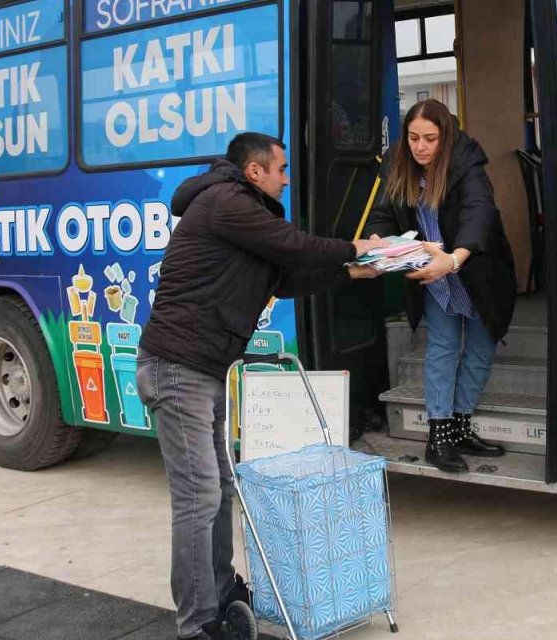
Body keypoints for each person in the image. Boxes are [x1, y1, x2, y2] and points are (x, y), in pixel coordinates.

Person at [137, 132, 385, 640]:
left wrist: (351, 273)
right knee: (198, 496)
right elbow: (293, 247)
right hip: (176, 366)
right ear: (255, 171)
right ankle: (196, 623)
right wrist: (356, 245)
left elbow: (284, 278)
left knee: (220, 489)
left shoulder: (243, 212)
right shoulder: (225, 202)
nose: (287, 178)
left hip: (204, 368)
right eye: (282, 169)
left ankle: (223, 590)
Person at [363, 99, 517, 473]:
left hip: (475, 271)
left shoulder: (467, 162)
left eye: (430, 139)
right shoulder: (397, 163)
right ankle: (439, 435)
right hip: (432, 276)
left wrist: (454, 257)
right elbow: (381, 215)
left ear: (445, 136)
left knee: (481, 349)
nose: (420, 147)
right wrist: (384, 243)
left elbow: (479, 213)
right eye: (414, 137)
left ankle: (461, 426)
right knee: (443, 349)